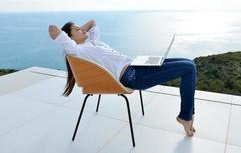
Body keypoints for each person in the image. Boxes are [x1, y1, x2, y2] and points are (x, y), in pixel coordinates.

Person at [48, 20, 197, 136]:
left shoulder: (92, 43)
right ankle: (186, 116)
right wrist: (68, 37)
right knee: (189, 68)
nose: (81, 29)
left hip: (136, 65)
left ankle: (188, 114)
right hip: (133, 76)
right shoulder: (77, 50)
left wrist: (80, 31)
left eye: (80, 27)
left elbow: (93, 22)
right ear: (69, 38)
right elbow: (53, 29)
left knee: (189, 63)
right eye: (76, 29)